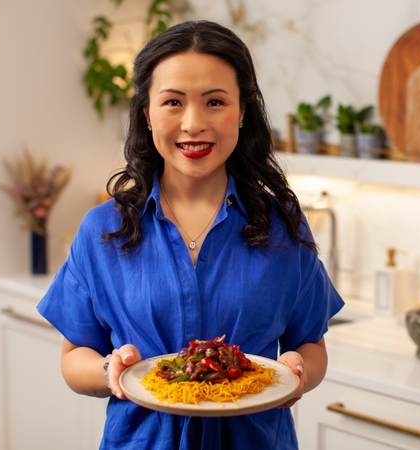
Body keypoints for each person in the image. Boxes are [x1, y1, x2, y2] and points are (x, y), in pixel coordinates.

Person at [37, 19, 343, 449]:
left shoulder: (282, 223)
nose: (194, 123)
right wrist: (111, 370)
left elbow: (311, 345)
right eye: (173, 102)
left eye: (215, 101)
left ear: (242, 112)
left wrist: (299, 372)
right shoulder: (103, 229)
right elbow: (74, 359)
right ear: (147, 113)